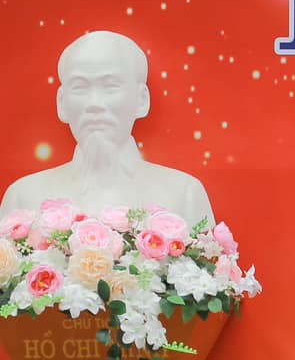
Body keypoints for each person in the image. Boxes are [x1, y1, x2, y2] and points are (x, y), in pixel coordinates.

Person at [1, 29, 213, 222]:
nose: (94, 103)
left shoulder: (185, 195)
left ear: (142, 99)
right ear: (62, 103)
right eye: (79, 87)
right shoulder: (23, 198)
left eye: (110, 86)